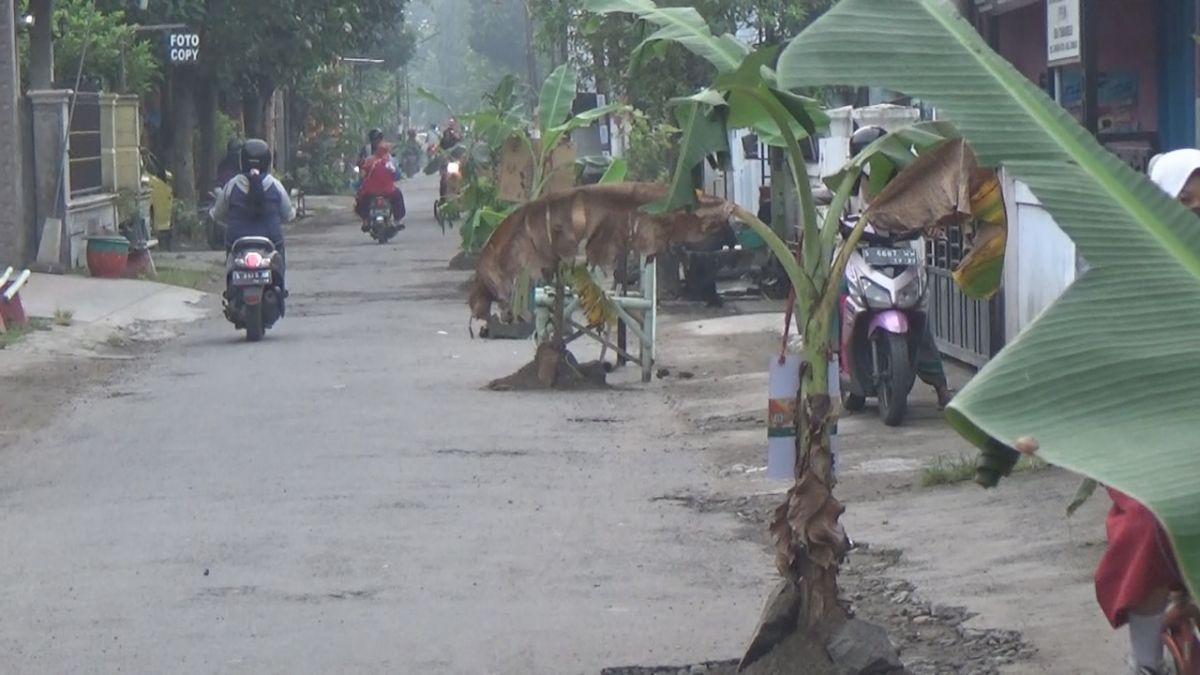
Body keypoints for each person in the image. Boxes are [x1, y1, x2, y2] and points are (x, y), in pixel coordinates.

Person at [1093, 148, 1199, 675]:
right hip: (1146, 433)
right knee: (1144, 524)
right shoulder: (1130, 269)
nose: (1195, 207)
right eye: (1186, 196)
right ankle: (1146, 661)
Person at [840, 125, 953, 408]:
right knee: (837, 300)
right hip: (859, 254)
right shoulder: (848, 184)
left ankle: (940, 385)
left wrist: (931, 228)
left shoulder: (902, 182)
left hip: (897, 253)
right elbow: (831, 203)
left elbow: (921, 211)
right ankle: (837, 361)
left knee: (917, 313)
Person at [211, 138, 295, 316]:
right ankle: (280, 288)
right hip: (271, 239)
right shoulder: (274, 185)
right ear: (267, 161)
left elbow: (218, 213)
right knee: (280, 258)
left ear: (242, 161)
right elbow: (288, 214)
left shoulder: (232, 185)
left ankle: (231, 290)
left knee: (230, 260)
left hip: (237, 240)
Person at [355, 141, 406, 227]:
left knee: (361, 200)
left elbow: (362, 175)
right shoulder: (390, 161)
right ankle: (398, 220)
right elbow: (396, 175)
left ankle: (365, 221)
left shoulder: (369, 161)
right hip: (389, 191)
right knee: (398, 196)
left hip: (370, 191)